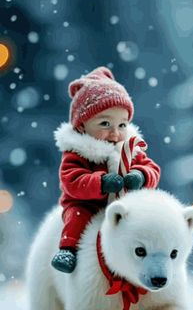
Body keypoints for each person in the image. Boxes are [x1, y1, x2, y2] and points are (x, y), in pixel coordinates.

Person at [51, 66, 161, 273]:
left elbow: (152, 168)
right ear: (82, 126)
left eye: (122, 125)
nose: (115, 133)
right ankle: (68, 250)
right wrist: (101, 182)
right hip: (86, 204)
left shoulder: (129, 148)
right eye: (105, 124)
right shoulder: (77, 152)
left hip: (124, 204)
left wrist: (141, 176)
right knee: (76, 216)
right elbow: (72, 181)